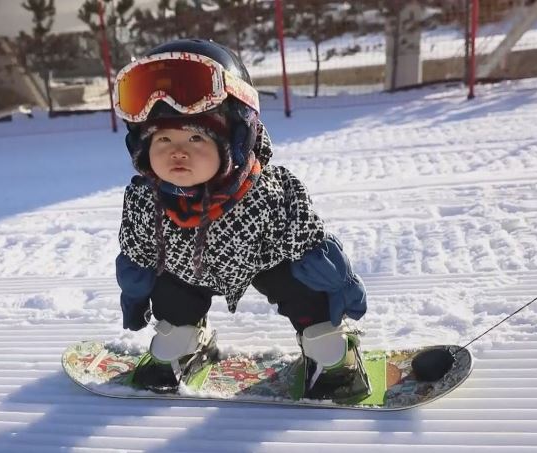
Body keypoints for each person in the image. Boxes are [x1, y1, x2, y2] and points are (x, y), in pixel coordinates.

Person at [113, 39, 368, 398]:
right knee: (169, 290)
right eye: (163, 139)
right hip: (189, 272)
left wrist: (340, 286)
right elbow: (138, 257)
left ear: (235, 139)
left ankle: (326, 346)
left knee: (304, 285)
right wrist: (136, 296)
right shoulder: (145, 202)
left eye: (196, 136)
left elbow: (312, 247)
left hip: (267, 264)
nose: (177, 151)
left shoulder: (270, 193)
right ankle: (183, 338)